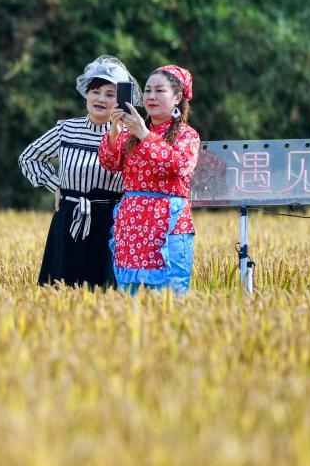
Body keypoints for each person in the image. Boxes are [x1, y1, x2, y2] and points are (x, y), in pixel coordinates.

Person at [19, 55, 142, 289]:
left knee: (105, 290)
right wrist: (54, 185)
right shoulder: (66, 129)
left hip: (110, 222)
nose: (101, 99)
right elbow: (29, 158)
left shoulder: (129, 134)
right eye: (95, 91)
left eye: (110, 94)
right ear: (86, 93)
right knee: (61, 289)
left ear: (121, 101)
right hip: (69, 218)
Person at [99, 65, 200, 295]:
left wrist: (144, 134)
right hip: (132, 224)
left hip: (168, 222)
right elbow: (109, 163)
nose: (151, 96)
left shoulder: (187, 135)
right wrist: (114, 131)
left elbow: (177, 166)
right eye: (147, 90)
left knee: (170, 296)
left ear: (177, 97)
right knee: (130, 295)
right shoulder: (129, 133)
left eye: (159, 91)